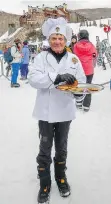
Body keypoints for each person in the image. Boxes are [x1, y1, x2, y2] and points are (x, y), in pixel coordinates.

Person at [29, 17, 86, 204]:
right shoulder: (40, 58)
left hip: (65, 112)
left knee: (61, 148)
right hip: (45, 112)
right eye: (54, 38)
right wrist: (56, 76)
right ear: (49, 39)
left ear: (66, 39)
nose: (57, 41)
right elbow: (33, 79)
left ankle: (61, 179)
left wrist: (79, 94)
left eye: (60, 38)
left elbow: (82, 82)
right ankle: (45, 183)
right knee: (44, 149)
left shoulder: (74, 59)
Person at [74, 30, 97, 112]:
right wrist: (92, 65)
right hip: (89, 71)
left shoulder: (76, 46)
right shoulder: (91, 46)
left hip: (79, 70)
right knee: (88, 86)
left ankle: (79, 103)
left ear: (79, 36)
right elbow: (94, 56)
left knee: (79, 86)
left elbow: (74, 58)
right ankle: (86, 106)